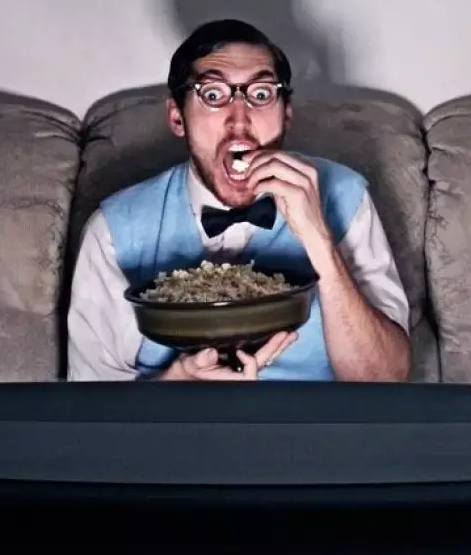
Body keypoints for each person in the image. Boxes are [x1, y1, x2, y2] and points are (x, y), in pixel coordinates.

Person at [66, 19, 411, 382]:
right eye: (213, 95)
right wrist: (174, 386)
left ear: (286, 114)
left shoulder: (345, 196)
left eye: (261, 95)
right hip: (173, 420)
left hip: (310, 419)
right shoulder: (113, 231)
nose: (239, 121)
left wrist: (320, 242)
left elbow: (385, 381)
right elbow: (90, 407)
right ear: (177, 117)